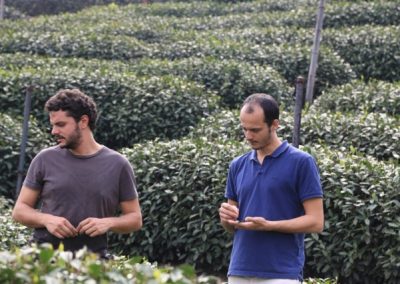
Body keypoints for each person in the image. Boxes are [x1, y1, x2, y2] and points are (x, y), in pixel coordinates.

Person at [12, 88, 142, 257]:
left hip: (92, 261)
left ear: (83, 121)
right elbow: (19, 210)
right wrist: (46, 219)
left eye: (61, 125)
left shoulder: (118, 164)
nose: (54, 132)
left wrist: (108, 223)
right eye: (53, 125)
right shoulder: (45, 159)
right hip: (43, 258)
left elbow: (135, 218)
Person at [219, 93, 324, 283]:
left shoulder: (302, 162)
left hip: (282, 272)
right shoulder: (237, 165)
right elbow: (232, 226)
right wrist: (227, 219)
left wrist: (269, 226)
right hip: (239, 269)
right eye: (244, 129)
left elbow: (316, 221)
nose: (248, 136)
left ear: (275, 125)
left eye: (255, 130)